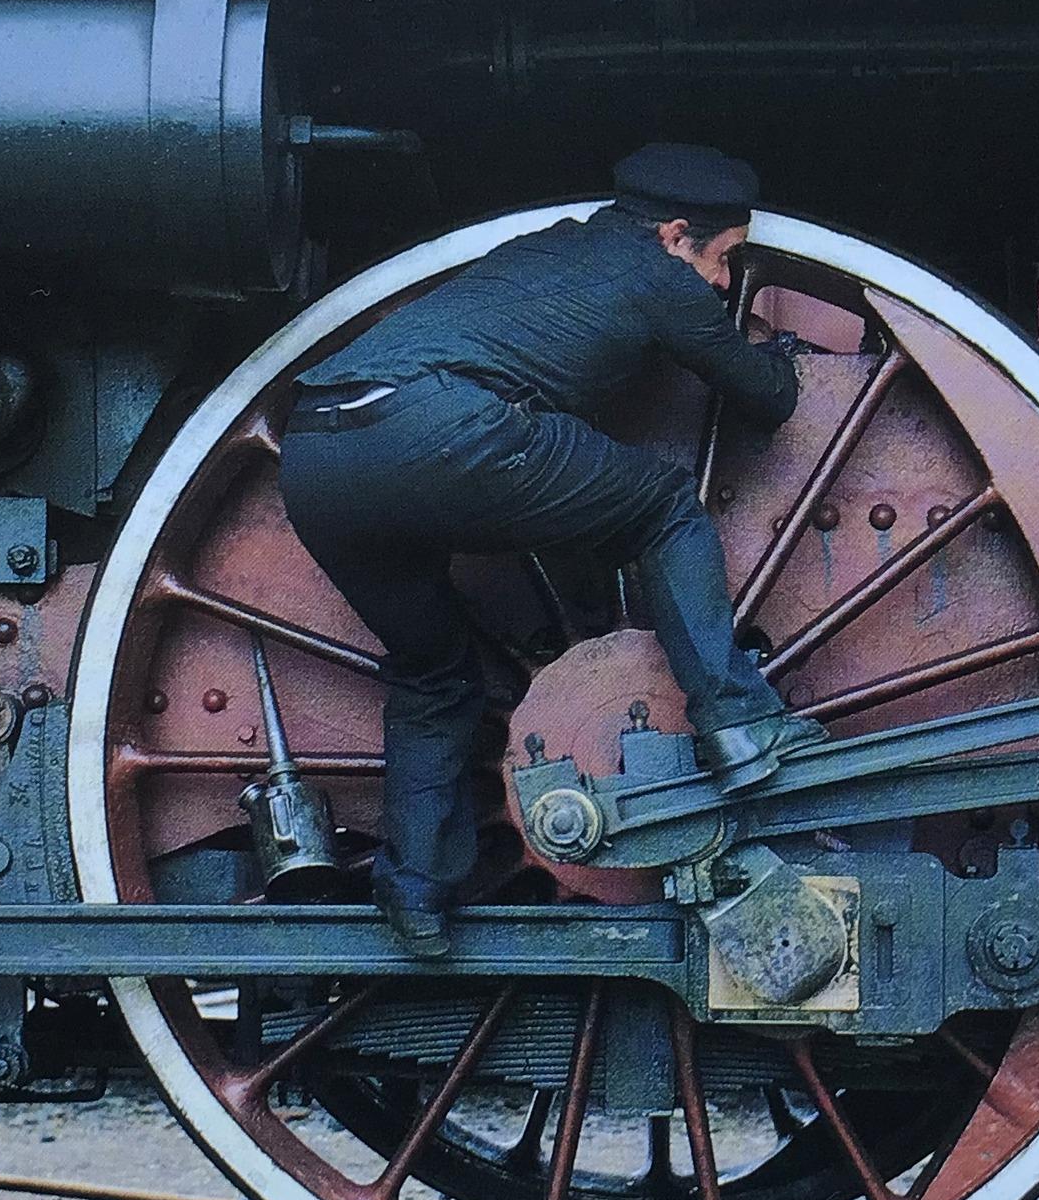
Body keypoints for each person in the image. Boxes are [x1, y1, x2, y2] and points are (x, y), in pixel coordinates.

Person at [278, 143, 825, 957]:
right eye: (725, 257)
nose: (721, 279)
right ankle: (738, 722)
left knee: (433, 673)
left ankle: (417, 892)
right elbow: (766, 399)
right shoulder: (660, 277)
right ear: (677, 236)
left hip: (317, 452)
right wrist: (772, 353)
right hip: (441, 432)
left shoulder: (547, 250)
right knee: (665, 507)